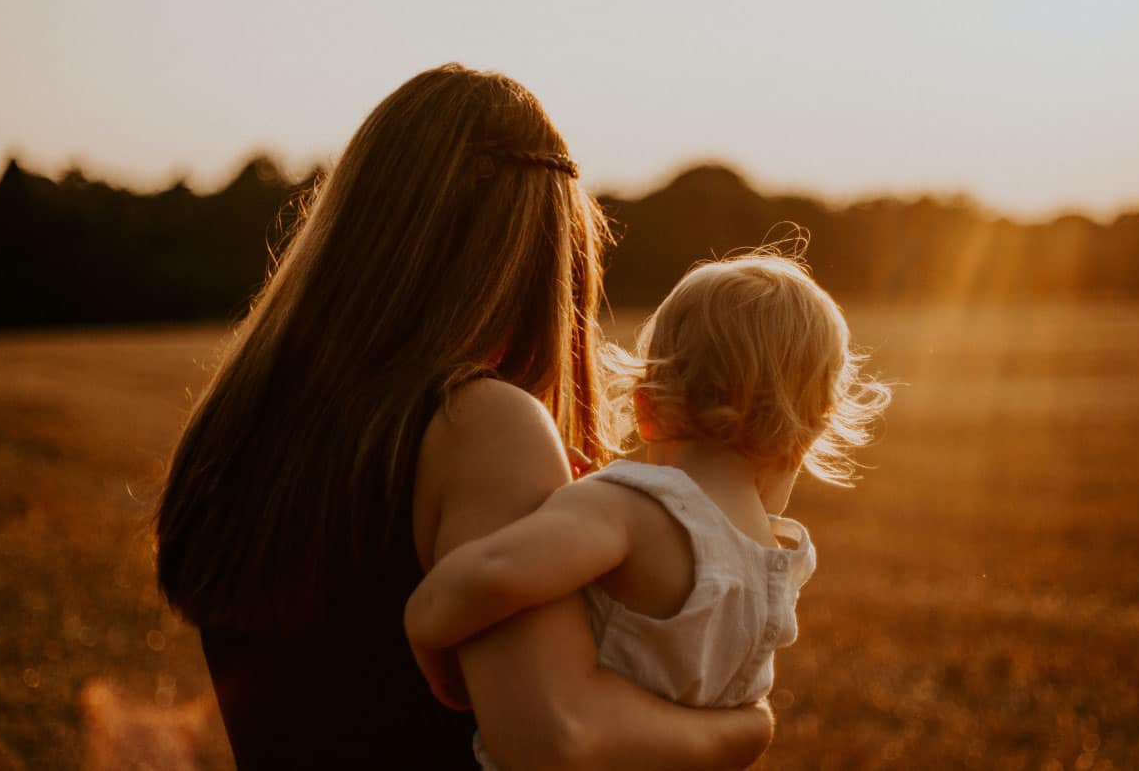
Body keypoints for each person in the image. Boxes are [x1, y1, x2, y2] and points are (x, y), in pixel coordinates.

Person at [155, 64, 774, 769]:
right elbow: (555, 739)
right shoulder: (479, 424)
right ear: (542, 258)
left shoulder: (242, 427)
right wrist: (741, 730)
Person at [404, 252, 892, 768]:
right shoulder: (775, 564)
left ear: (645, 407)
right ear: (805, 439)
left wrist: (425, 623)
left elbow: (497, 572)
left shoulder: (627, 507)